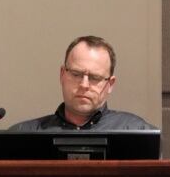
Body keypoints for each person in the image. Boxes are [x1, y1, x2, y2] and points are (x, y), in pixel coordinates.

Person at [9, 35, 156, 130]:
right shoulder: (23, 134)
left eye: (95, 77)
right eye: (76, 74)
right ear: (62, 75)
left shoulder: (137, 131)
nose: (84, 85)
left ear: (110, 84)